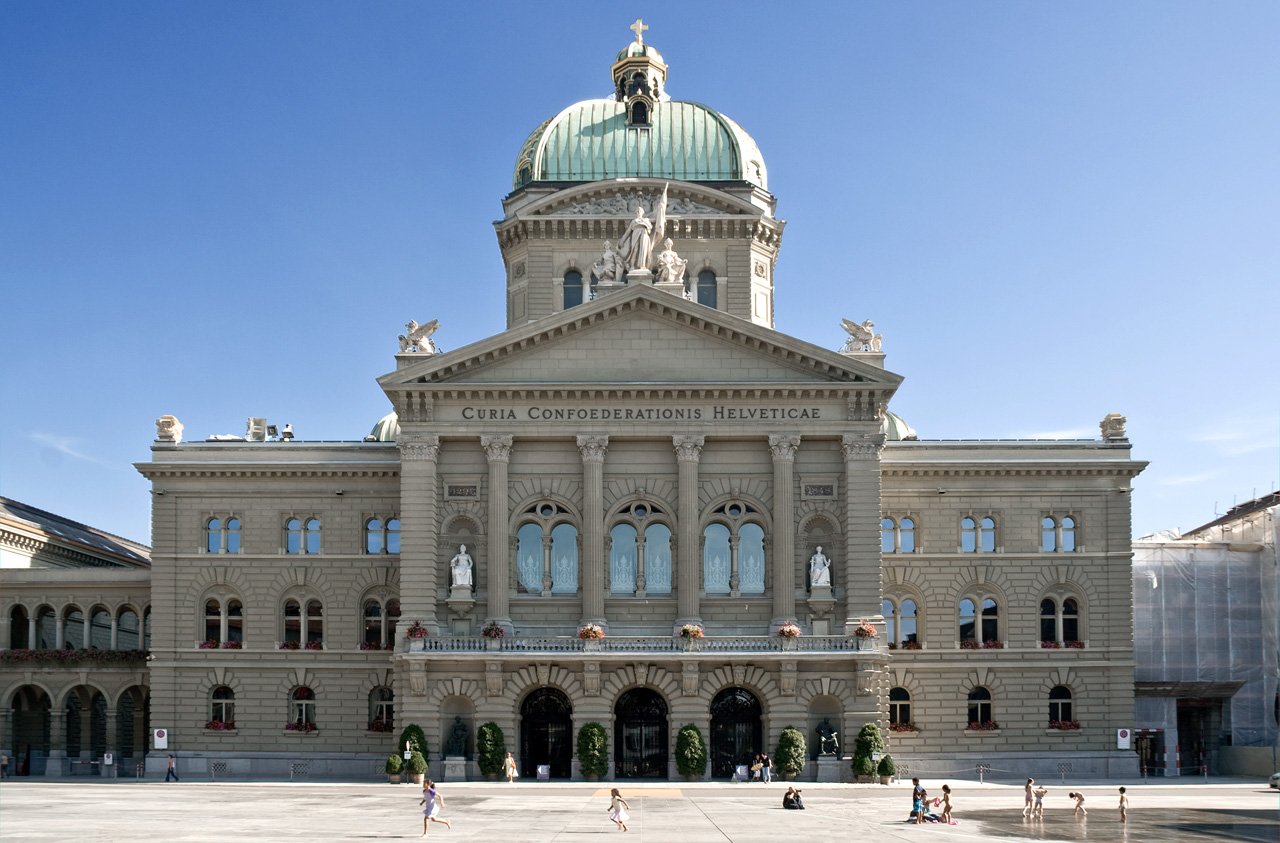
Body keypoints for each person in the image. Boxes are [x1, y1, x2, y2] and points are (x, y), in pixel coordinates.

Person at [617, 205, 653, 272]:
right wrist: (622, 240)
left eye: (640, 211)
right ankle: (632, 265)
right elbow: (628, 232)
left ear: (642, 213)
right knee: (634, 250)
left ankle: (642, 265)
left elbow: (650, 228)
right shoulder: (634, 221)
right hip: (635, 235)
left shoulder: (646, 220)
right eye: (637, 211)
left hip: (644, 235)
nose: (638, 212)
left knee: (643, 250)